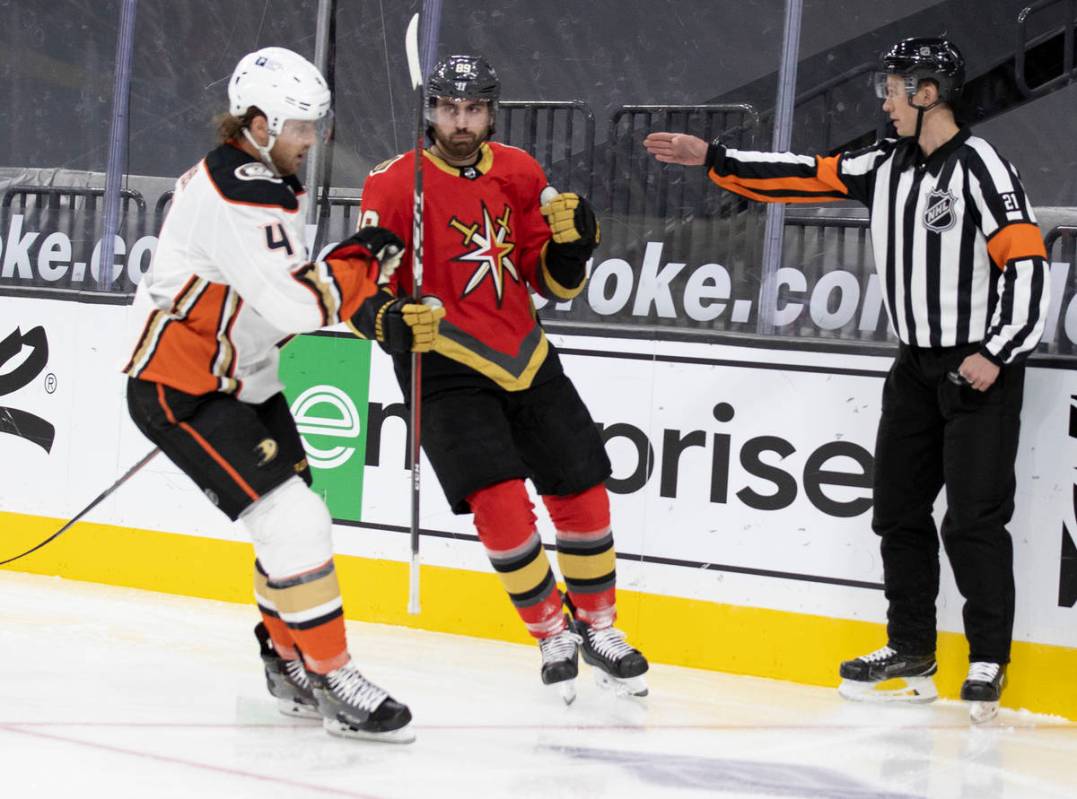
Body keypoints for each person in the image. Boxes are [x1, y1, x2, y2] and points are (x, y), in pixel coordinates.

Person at [644, 37, 1048, 722]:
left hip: (977, 367)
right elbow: (803, 173)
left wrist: (996, 351)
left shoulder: (981, 168)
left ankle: (987, 657)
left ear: (927, 93)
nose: (883, 101)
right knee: (895, 511)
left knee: (975, 519)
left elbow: (1026, 263)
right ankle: (911, 649)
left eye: (893, 88)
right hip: (913, 367)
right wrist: (714, 160)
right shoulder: (884, 162)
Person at [123, 47, 443, 743]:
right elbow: (298, 304)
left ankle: (286, 660)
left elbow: (281, 295)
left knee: (290, 522)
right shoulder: (242, 188)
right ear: (259, 123)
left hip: (245, 379)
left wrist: (371, 302)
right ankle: (331, 675)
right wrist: (360, 263)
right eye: (302, 126)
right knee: (294, 521)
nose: (313, 139)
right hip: (186, 387)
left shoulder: (264, 177)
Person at [351, 54, 648, 703]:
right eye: (449, 108)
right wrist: (386, 319)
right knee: (498, 501)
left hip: (524, 351)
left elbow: (551, 282)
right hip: (443, 360)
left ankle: (599, 627)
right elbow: (355, 282)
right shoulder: (393, 184)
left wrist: (573, 245)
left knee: (581, 486)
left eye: (474, 109)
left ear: (490, 110)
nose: (461, 122)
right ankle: (551, 630)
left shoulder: (520, 171)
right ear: (430, 109)